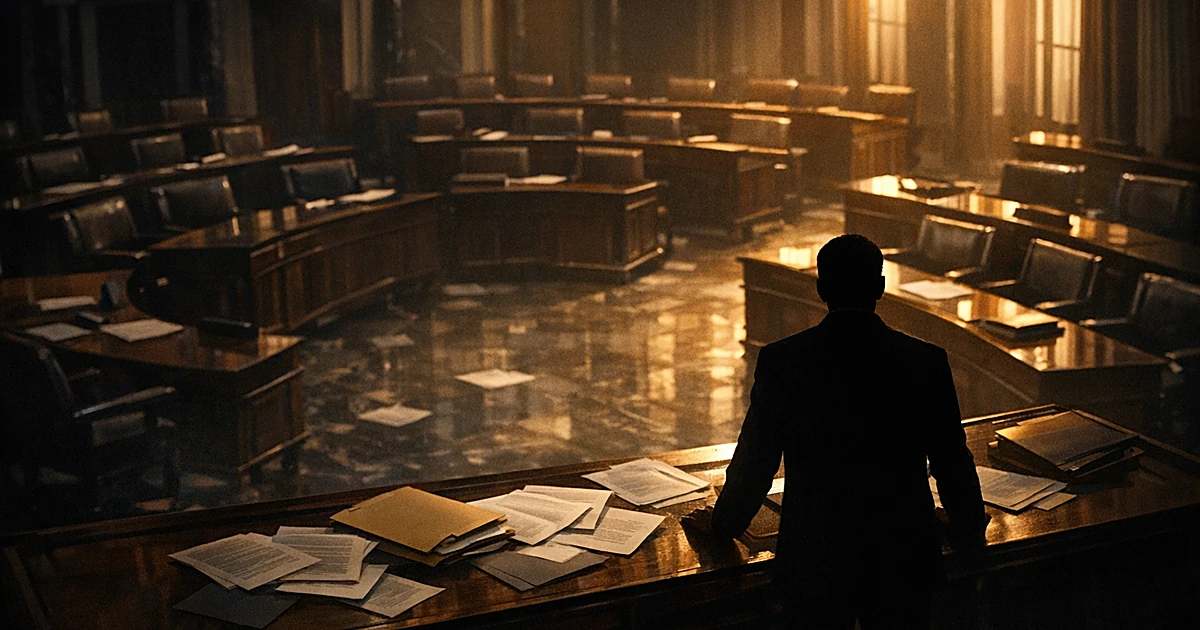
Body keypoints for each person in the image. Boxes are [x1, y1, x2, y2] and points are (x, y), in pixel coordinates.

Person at [683, 234, 987, 629]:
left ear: (821, 288)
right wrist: (968, 522)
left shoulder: (783, 361)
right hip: (902, 553)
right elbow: (951, 460)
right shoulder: (925, 361)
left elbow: (755, 463)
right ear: (880, 287)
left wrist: (724, 524)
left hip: (816, 555)